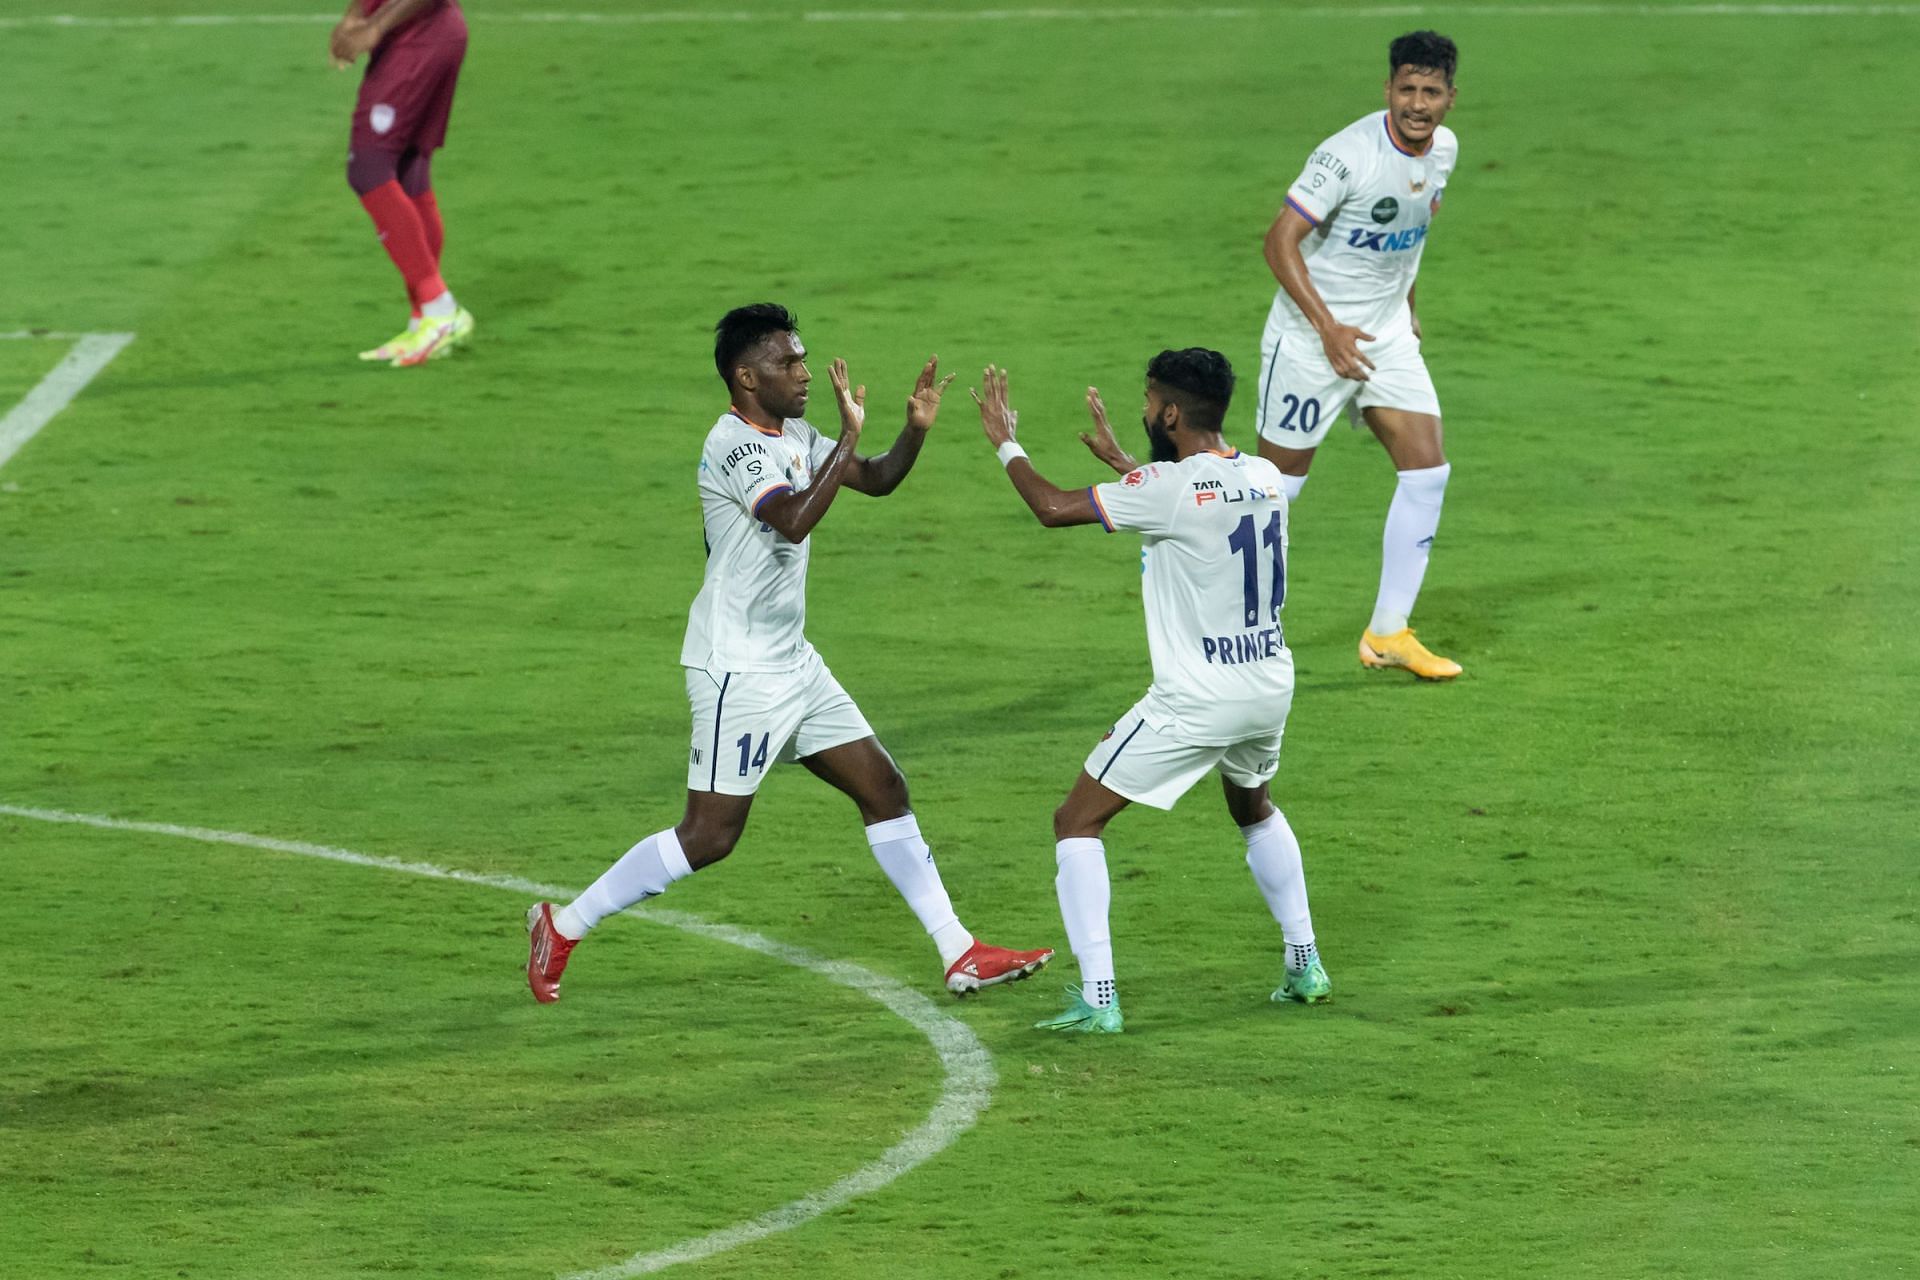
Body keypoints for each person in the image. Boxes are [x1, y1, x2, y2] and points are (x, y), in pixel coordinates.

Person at [526, 304, 1053, 1002]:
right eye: (787, 363)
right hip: (737, 670)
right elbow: (794, 521)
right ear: (745, 377)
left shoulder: (795, 431)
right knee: (710, 835)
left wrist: (913, 431)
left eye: (804, 359)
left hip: (793, 661)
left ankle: (958, 950)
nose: (804, 374)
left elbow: (878, 478)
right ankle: (562, 925)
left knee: (884, 789)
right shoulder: (736, 446)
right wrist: (844, 445)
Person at [970, 351, 1328, 1035]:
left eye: (1148, 402)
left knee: (1076, 821)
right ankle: (1304, 962)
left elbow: (1051, 508)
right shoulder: (1263, 475)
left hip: (1197, 699)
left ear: (1170, 413)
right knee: (1253, 807)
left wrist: (1004, 439)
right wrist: (1127, 465)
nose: (1142, 410)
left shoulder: (1166, 487)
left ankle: (1099, 999)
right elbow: (1193, 503)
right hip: (1268, 682)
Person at [1253, 30, 1463, 679]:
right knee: (1273, 491)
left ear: (1450, 98)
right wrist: (1327, 328)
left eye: (1431, 92)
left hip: (1385, 335)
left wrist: (1409, 307)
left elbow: (1411, 235)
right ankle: (1237, 624)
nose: (1418, 104)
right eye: (1407, 89)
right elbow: (1278, 242)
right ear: (1388, 90)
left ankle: (1387, 632)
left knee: (1427, 471)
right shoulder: (1346, 156)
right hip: (1310, 339)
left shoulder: (1446, 151)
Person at [330, 0, 474, 367]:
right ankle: (424, 322)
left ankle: (440, 308)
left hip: (421, 37)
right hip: (420, 36)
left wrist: (375, 25)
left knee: (369, 168)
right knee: (409, 172)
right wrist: (354, 17)